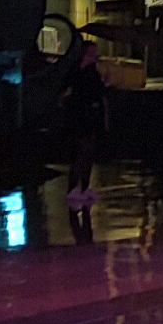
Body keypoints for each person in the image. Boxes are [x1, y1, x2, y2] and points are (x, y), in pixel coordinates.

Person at [56, 40, 112, 215]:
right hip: (79, 117)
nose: (95, 56)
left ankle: (84, 187)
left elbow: (97, 92)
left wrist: (104, 85)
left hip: (90, 117)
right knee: (81, 152)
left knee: (88, 153)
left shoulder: (91, 72)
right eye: (91, 53)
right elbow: (70, 90)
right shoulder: (77, 72)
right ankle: (73, 188)